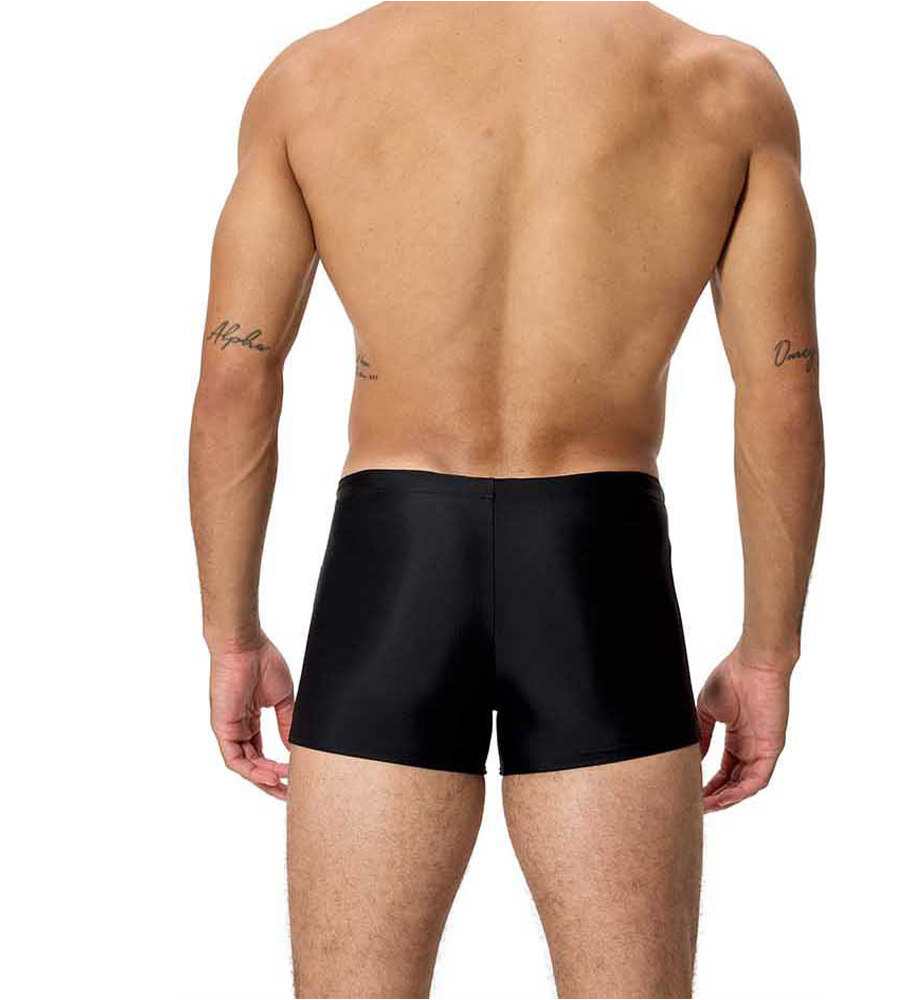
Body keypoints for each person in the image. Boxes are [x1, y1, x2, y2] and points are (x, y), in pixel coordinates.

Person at [188, 3, 824, 996]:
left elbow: (236, 378)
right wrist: (768, 651)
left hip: (391, 569)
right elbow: (779, 391)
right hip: (599, 570)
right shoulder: (720, 83)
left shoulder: (314, 78)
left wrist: (232, 637)